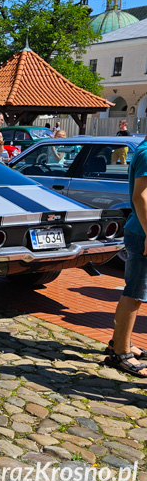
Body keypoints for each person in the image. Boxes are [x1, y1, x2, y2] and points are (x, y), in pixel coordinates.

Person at [105, 135, 147, 378]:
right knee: (135, 294)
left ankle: (121, 343)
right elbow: (140, 196)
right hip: (141, 233)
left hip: (141, 230)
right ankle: (120, 353)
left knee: (138, 293)